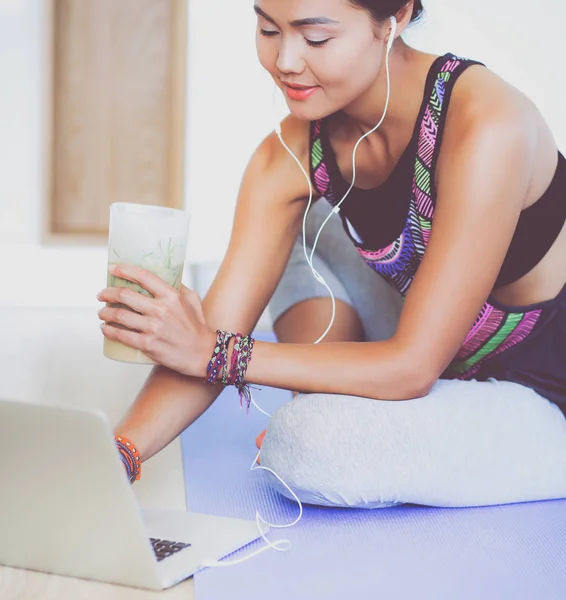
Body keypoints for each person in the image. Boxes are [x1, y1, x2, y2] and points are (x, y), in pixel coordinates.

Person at [98, 0, 566, 508]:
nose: (286, 61)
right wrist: (114, 457)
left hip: (541, 392)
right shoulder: (291, 153)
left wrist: (219, 352)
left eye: (315, 38)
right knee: (305, 227)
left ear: (396, 17)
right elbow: (212, 337)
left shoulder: (487, 124)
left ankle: (338, 393)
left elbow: (412, 368)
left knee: (309, 442)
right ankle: (342, 382)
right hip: (441, 352)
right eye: (268, 29)